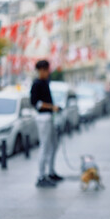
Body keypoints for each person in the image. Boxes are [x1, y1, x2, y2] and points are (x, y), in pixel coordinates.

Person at [30, 60, 63, 188]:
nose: (48, 72)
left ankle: (51, 172)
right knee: (44, 146)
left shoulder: (45, 82)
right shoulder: (36, 84)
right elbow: (35, 103)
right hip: (43, 117)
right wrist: (51, 107)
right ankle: (41, 176)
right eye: (46, 70)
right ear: (41, 70)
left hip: (49, 117)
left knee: (54, 144)